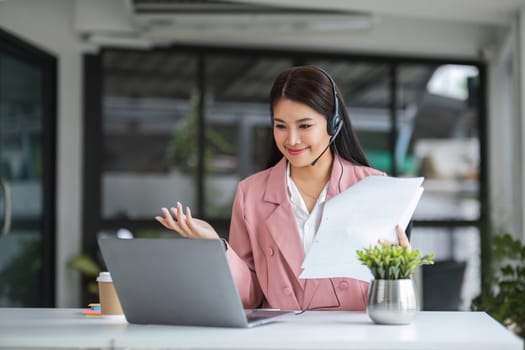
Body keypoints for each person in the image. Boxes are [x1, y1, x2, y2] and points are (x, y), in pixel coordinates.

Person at [155, 65, 411, 311]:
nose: (291, 139)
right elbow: (249, 296)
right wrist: (216, 246)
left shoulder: (372, 187)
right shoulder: (251, 193)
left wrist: (398, 267)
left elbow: (387, 288)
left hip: (354, 337)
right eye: (280, 126)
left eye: (305, 126)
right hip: (279, 337)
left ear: (333, 124)